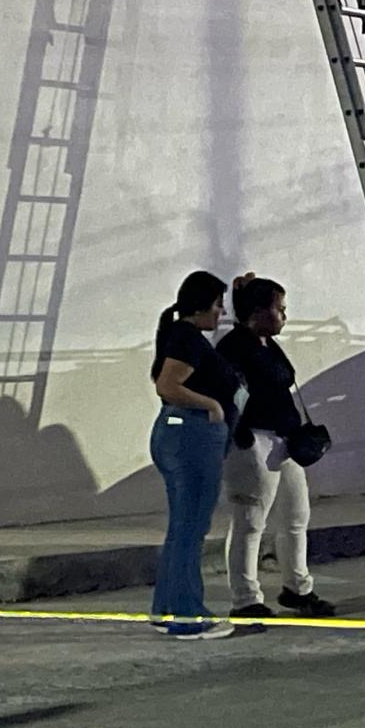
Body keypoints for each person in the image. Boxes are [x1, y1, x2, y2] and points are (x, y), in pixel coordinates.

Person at [216, 274, 337, 620]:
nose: (284, 315)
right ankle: (245, 599)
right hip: (254, 439)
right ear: (258, 312)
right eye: (279, 309)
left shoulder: (266, 343)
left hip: (285, 439)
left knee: (296, 516)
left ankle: (298, 588)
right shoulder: (234, 348)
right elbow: (226, 393)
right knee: (250, 521)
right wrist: (239, 435)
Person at [149, 271, 244, 640]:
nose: (222, 313)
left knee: (181, 527)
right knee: (191, 529)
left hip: (178, 433)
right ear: (202, 305)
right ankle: (187, 615)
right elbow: (168, 385)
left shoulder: (180, 335)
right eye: (219, 305)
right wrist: (212, 406)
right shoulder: (187, 338)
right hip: (192, 436)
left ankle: (167, 606)